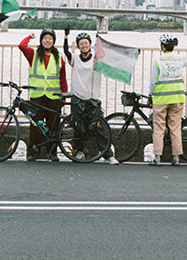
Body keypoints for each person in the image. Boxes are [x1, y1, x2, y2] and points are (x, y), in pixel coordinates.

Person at [63, 29, 118, 164]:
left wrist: (100, 41)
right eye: (81, 44)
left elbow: (110, 57)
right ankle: (79, 152)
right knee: (78, 128)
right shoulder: (75, 59)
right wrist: (65, 37)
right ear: (78, 45)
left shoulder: (96, 59)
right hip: (78, 97)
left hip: (93, 99)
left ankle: (108, 155)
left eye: (86, 43)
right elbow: (66, 52)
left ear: (90, 44)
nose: (84, 46)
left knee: (100, 128)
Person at [18, 29, 68, 160]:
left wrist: (64, 94)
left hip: (54, 96)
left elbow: (62, 77)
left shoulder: (58, 57)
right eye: (45, 38)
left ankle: (52, 152)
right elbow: (21, 46)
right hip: (38, 96)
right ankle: (33, 151)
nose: (47, 41)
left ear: (53, 41)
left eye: (50, 38)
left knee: (54, 125)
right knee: (36, 125)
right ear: (41, 40)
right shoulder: (33, 54)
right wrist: (29, 36)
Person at [147, 33, 187, 166]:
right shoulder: (180, 59)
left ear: (162, 46)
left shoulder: (158, 60)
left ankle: (157, 158)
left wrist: (150, 96)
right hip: (177, 98)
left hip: (161, 99)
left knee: (158, 129)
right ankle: (176, 158)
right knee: (175, 128)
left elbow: (153, 82)